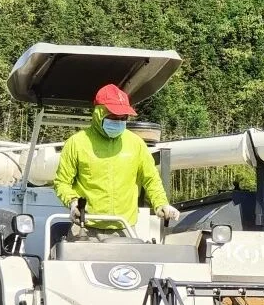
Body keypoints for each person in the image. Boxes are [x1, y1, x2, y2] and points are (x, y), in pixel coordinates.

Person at [53, 84, 180, 236]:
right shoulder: (77, 143)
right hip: (84, 226)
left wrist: (161, 204)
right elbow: (62, 182)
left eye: (123, 117)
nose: (119, 121)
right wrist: (73, 203)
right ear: (99, 113)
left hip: (124, 228)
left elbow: (151, 179)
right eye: (113, 116)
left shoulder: (136, 143)